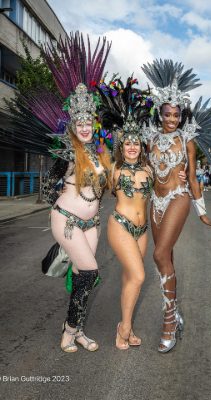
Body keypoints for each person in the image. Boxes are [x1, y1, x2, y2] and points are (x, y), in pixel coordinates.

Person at [142, 58, 211, 353]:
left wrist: (202, 210)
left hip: (178, 197)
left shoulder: (187, 139)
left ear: (181, 115)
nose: (172, 119)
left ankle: (168, 322)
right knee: (167, 259)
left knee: (159, 253)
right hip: (155, 201)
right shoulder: (149, 139)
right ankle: (175, 309)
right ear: (160, 113)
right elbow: (144, 169)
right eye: (167, 114)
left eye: (177, 115)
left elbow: (191, 178)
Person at [41, 34, 112, 352]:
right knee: (90, 270)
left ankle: (78, 328)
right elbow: (46, 185)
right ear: (72, 123)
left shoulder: (101, 152)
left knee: (85, 276)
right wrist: (58, 197)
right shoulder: (67, 150)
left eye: (89, 122)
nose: (85, 127)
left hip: (91, 222)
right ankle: (69, 332)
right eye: (79, 122)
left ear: (94, 123)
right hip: (68, 220)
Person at [98, 78, 153, 349]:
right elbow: (87, 180)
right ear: (122, 145)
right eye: (128, 143)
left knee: (132, 279)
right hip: (120, 225)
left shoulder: (150, 170)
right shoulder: (112, 170)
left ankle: (125, 323)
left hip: (142, 231)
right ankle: (124, 329)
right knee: (140, 275)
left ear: (141, 146)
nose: (132, 147)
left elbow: (167, 187)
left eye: (136, 143)